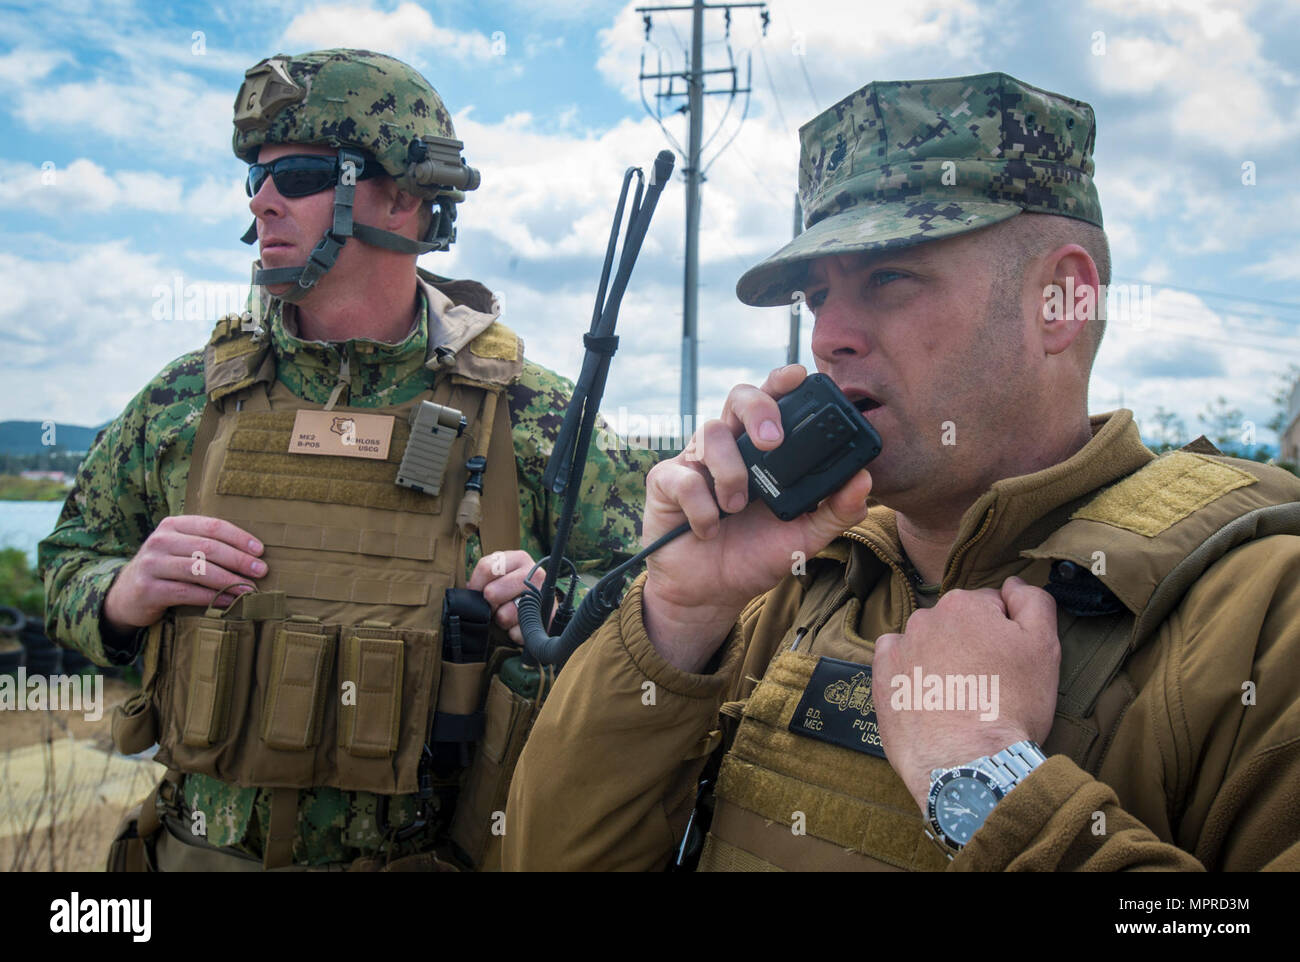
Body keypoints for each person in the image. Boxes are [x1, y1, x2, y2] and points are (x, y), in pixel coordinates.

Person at [503, 72, 1300, 871]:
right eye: (817, 298)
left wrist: (984, 776)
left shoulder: (1262, 617)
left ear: (1060, 302)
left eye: (889, 278)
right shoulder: (789, 582)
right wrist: (679, 617)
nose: (829, 337)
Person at [38, 48, 657, 871]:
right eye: (254, 178)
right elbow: (66, 560)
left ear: (402, 195)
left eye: (295, 173)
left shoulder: (530, 415)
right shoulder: (188, 400)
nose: (261, 199)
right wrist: (117, 595)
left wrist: (556, 607)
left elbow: (656, 622)